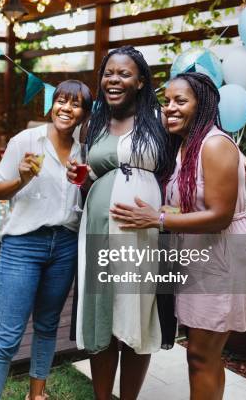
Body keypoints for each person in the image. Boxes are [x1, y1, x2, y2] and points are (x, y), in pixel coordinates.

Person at [109, 72, 246, 399]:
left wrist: (158, 218)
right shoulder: (186, 147)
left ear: (202, 104)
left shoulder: (215, 144)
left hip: (221, 256)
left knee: (200, 355)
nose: (169, 108)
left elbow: (219, 215)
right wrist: (153, 213)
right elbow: (192, 207)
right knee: (204, 355)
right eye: (167, 101)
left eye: (181, 101)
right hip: (200, 256)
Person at [67, 46, 174, 400]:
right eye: (108, 73)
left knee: (135, 315)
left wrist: (237, 157)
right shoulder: (93, 124)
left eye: (124, 73)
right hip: (97, 230)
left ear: (141, 81)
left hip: (140, 234)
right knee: (101, 314)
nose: (114, 79)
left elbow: (195, 150)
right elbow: (90, 177)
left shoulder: (158, 119)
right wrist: (79, 177)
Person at [0, 80, 93, 400]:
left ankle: (37, 395)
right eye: (61, 101)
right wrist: (23, 178)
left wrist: (82, 184)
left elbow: (82, 200)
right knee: (7, 336)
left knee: (47, 325)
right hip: (23, 246)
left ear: (83, 113)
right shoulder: (26, 140)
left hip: (65, 245)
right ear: (52, 104)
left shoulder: (84, 151)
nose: (67, 108)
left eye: (76, 104)